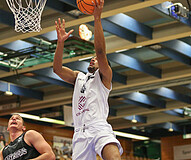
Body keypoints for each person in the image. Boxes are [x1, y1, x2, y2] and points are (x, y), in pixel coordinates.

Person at [53, 0, 123, 159]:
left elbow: (100, 52)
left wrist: (97, 19)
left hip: (99, 128)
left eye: (96, 60)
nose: (93, 60)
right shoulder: (79, 77)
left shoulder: (105, 77)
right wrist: (60, 43)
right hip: (79, 134)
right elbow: (57, 69)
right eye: (91, 59)